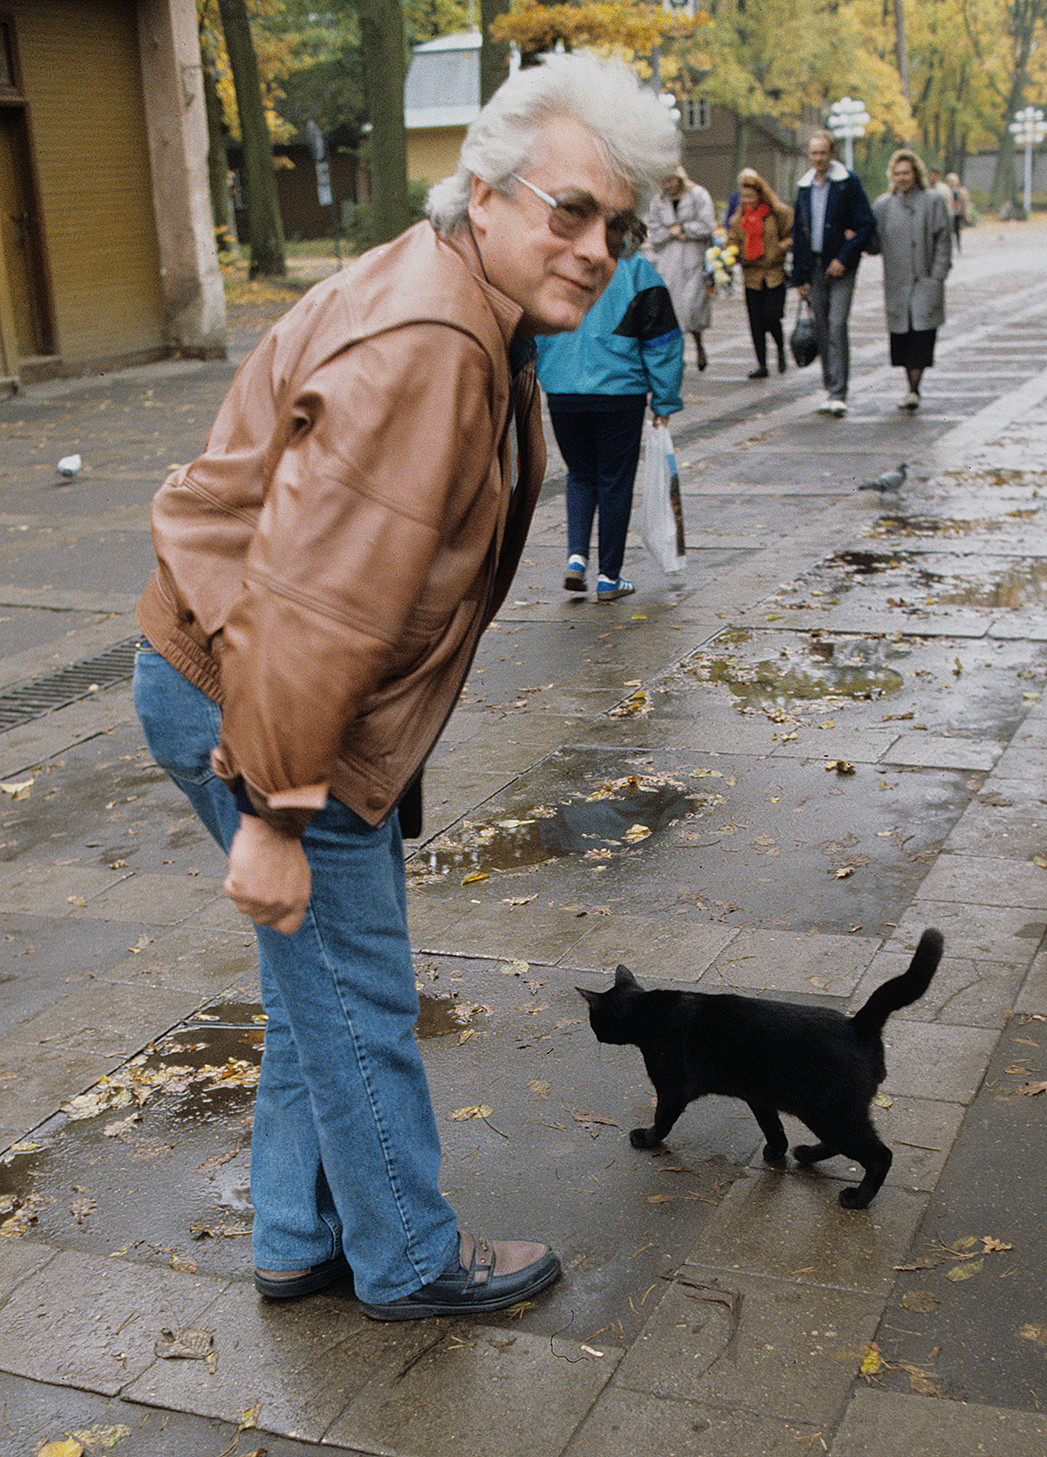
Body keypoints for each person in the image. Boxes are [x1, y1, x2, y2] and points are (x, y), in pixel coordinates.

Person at [131, 51, 679, 1323]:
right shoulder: (436, 338)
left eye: (620, 222)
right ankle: (408, 1255)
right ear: (485, 192)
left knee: (307, 980)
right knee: (356, 985)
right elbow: (320, 600)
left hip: (229, 675)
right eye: (571, 210)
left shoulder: (458, 293)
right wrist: (274, 811)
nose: (598, 246)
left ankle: (295, 1232)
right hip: (255, 698)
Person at [535, 253, 683, 602]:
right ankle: (608, 577)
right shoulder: (635, 269)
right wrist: (664, 398)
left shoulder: (559, 262)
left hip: (563, 387)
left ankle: (576, 556)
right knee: (615, 481)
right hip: (620, 390)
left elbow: (534, 324)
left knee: (580, 474)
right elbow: (662, 338)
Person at [789, 130, 875, 415]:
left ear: (832, 153)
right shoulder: (804, 187)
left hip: (840, 265)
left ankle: (840, 390)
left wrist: (844, 256)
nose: (818, 159)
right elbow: (799, 234)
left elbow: (866, 224)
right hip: (813, 266)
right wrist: (798, 278)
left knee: (837, 323)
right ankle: (830, 387)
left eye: (823, 153)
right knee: (823, 327)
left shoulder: (847, 184)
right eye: (814, 153)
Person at [872, 148, 952, 411]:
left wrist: (938, 274)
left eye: (906, 172)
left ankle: (914, 389)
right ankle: (910, 386)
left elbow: (943, 240)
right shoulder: (883, 205)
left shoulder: (933, 201)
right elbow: (874, 242)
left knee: (921, 336)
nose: (902, 177)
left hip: (924, 280)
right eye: (897, 173)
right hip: (897, 282)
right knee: (903, 338)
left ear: (916, 173)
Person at [727, 168, 794, 378]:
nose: (747, 200)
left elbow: (791, 236)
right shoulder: (738, 220)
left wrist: (779, 249)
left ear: (760, 195)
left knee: (772, 316)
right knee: (756, 321)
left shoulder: (777, 214)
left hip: (774, 274)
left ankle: (781, 350)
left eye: (750, 196)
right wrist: (732, 254)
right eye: (743, 196)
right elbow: (732, 243)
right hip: (751, 277)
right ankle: (762, 364)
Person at [648, 167, 716, 371]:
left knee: (692, 306)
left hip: (692, 258)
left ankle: (699, 345)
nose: (668, 186)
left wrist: (686, 229)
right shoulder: (658, 201)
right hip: (669, 261)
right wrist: (673, 232)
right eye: (664, 182)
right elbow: (653, 231)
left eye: (672, 181)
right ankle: (678, 354)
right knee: (671, 310)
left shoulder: (698, 195)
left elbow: (707, 225)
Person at [945, 172, 971, 253]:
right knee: (948, 230)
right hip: (948, 213)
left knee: (957, 230)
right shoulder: (945, 190)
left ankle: (958, 246)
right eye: (950, 181)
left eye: (954, 181)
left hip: (957, 212)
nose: (952, 183)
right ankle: (949, 246)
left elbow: (965, 203)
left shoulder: (960, 191)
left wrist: (966, 214)